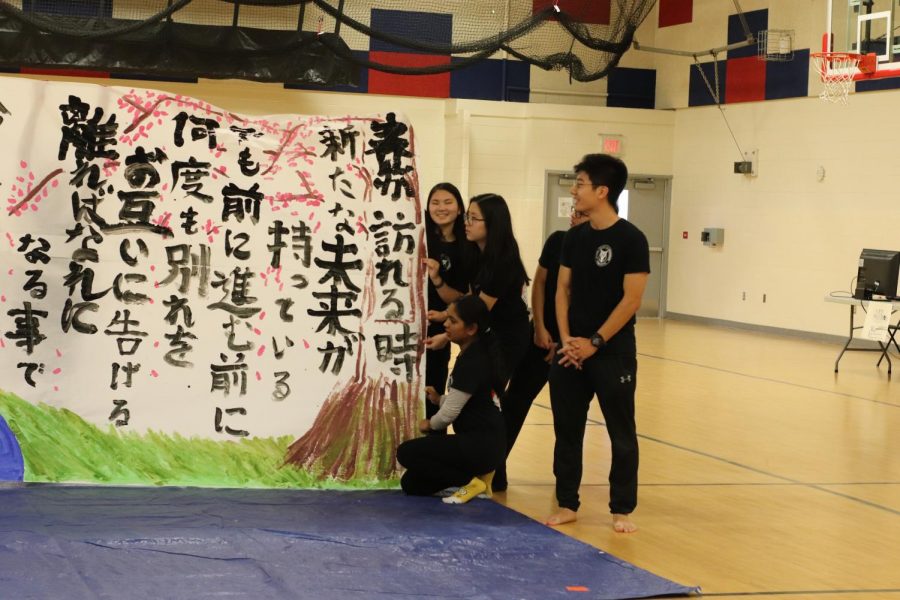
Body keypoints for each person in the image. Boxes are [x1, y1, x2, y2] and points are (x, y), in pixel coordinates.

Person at [547, 153, 650, 533]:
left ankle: (621, 508)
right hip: (571, 352)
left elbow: (632, 300)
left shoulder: (631, 239)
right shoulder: (574, 237)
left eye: (581, 184)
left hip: (612, 353)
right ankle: (567, 502)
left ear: (602, 191)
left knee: (620, 431)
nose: (574, 191)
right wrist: (566, 342)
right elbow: (562, 291)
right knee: (567, 430)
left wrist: (594, 342)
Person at [425, 193, 531, 491]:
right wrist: (444, 305)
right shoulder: (477, 254)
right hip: (486, 336)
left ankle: (491, 472)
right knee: (479, 400)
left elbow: (479, 310)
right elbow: (467, 301)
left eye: (473, 218)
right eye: (467, 217)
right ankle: (493, 473)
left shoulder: (503, 260)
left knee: (486, 402)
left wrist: (445, 332)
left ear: (492, 224)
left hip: (507, 340)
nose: (467, 223)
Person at [500, 207, 590, 477]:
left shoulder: (601, 254)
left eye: (583, 214)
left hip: (574, 347)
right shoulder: (557, 241)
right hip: (540, 339)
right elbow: (539, 284)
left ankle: (565, 486)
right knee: (514, 402)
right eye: (575, 212)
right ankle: (493, 469)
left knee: (568, 418)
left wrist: (565, 343)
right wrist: (539, 327)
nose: (575, 216)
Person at [397, 295, 506, 504]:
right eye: (447, 318)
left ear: (471, 329)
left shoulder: (473, 361)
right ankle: (475, 479)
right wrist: (439, 399)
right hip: (480, 445)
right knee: (412, 484)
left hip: (481, 445)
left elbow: (449, 415)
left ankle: (473, 481)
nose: (446, 324)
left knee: (406, 453)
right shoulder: (473, 353)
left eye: (453, 321)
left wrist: (429, 424)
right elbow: (465, 401)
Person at [421, 183, 468, 428]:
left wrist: (437, 279)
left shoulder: (467, 246)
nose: (441, 208)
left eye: (448, 202)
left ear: (460, 208)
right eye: (435, 202)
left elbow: (461, 298)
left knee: (433, 386)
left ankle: (434, 443)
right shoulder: (419, 239)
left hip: (442, 328)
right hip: (410, 325)